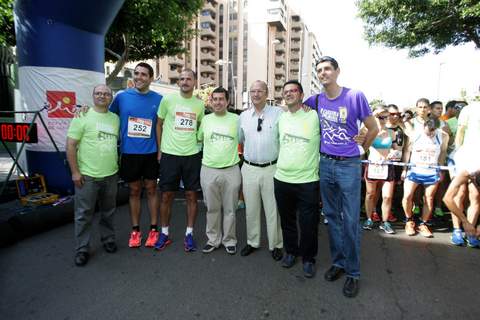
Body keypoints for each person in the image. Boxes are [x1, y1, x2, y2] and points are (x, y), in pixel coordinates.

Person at [304, 56, 378, 298]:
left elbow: (373, 127)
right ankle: (339, 263)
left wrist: (363, 147)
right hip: (325, 163)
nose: (323, 73)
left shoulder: (354, 95)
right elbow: (297, 107)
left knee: (350, 221)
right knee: (332, 217)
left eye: (327, 69)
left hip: (348, 166)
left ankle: (353, 273)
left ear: (337, 71)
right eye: (319, 70)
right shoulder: (316, 99)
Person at [109, 63, 162, 248]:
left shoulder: (159, 99)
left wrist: (161, 150)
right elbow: (105, 114)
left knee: (151, 190)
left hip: (151, 153)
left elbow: (162, 125)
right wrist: (83, 110)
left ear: (151, 78)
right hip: (129, 153)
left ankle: (154, 229)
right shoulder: (121, 97)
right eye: (136, 73)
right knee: (134, 191)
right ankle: (135, 230)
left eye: (144, 74)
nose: (139, 77)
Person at [66, 84, 120, 266]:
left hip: (111, 175)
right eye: (98, 93)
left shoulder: (115, 119)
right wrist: (75, 172)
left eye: (106, 93)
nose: (102, 96)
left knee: (109, 212)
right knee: (83, 214)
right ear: (93, 96)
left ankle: (108, 239)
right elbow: (71, 145)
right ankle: (82, 249)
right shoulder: (82, 115)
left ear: (110, 98)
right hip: (87, 176)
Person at [155, 69, 205, 252]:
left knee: (192, 195)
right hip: (169, 154)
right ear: (179, 82)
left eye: (188, 79)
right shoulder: (168, 100)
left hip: (192, 155)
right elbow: (158, 124)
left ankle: (189, 234)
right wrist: (160, 149)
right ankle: (165, 233)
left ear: (194, 82)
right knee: (167, 195)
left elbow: (200, 126)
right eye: (182, 79)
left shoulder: (199, 105)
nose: (184, 81)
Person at [273, 80, 319, 279]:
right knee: (287, 221)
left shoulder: (314, 114)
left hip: (307, 180)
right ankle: (291, 252)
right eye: (286, 91)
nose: (289, 94)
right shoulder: (281, 118)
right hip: (282, 178)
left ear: (301, 95)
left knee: (308, 223)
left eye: (293, 91)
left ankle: (308, 259)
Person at [238, 80, 283, 261]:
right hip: (249, 168)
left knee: (272, 209)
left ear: (267, 93)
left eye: (260, 91)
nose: (256, 94)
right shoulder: (243, 116)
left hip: (272, 167)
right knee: (252, 209)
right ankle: (252, 241)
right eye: (252, 91)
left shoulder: (278, 113)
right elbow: (240, 139)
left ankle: (276, 244)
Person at [198, 87, 241, 255]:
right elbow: (198, 139)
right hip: (208, 169)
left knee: (230, 209)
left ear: (227, 101)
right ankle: (213, 240)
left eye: (221, 99)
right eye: (214, 99)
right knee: (212, 208)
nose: (217, 102)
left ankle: (229, 240)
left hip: (231, 169)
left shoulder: (237, 119)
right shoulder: (206, 120)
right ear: (211, 101)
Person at [402, 116, 448, 238]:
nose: (431, 133)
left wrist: (440, 168)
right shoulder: (416, 134)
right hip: (414, 170)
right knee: (407, 196)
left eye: (433, 131)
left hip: (431, 171)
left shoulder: (442, 136)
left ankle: (423, 223)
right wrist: (404, 169)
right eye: (429, 130)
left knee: (429, 198)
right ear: (424, 126)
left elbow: (443, 152)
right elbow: (407, 151)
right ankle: (409, 220)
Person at [444, 101, 480, 247]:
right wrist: (458, 152)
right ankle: (458, 229)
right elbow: (447, 198)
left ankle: (471, 232)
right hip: (467, 156)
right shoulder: (469, 109)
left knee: (476, 196)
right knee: (460, 193)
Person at [362, 106, 402, 234]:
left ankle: (385, 222)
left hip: (387, 166)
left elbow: (398, 150)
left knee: (387, 196)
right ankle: (369, 219)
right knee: (370, 194)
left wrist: (395, 153)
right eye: (380, 116)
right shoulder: (366, 130)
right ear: (374, 116)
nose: (384, 119)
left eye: (386, 116)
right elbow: (360, 147)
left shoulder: (391, 132)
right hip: (373, 165)